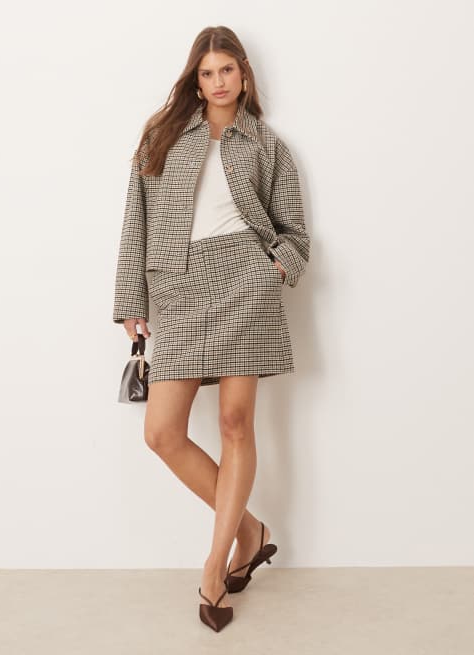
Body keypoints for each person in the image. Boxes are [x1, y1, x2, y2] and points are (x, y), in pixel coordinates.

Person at [112, 25, 310, 632]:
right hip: (178, 287)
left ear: (243, 74)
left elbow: (294, 233)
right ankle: (250, 531)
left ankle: (215, 566)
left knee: (234, 424)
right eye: (207, 72)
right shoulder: (163, 135)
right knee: (161, 432)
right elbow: (136, 220)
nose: (218, 81)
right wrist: (131, 298)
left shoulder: (267, 144)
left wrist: (273, 268)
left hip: (244, 284)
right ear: (195, 81)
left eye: (227, 69)